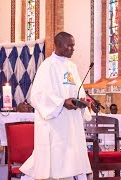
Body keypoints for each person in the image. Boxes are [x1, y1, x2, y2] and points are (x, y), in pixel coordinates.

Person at [20, 32, 92, 180]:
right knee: (54, 161)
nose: (72, 49)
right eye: (69, 45)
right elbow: (38, 95)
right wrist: (62, 102)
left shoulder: (72, 66)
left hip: (71, 121)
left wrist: (84, 102)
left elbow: (78, 90)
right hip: (54, 122)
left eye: (73, 45)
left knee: (71, 159)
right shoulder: (47, 66)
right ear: (58, 45)